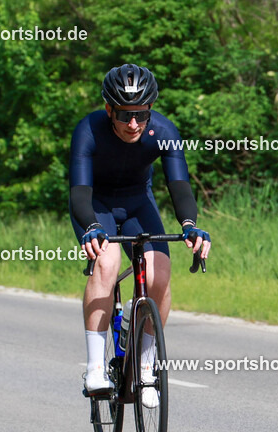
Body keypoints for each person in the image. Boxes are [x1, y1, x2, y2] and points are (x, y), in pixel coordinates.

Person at [70, 63, 210, 403]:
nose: (134, 124)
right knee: (107, 263)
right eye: (124, 115)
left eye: (141, 115)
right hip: (96, 205)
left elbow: (179, 186)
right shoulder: (88, 130)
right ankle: (94, 369)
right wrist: (91, 227)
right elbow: (79, 191)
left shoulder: (163, 130)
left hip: (137, 204)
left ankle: (147, 365)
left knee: (159, 272)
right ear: (108, 110)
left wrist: (190, 226)